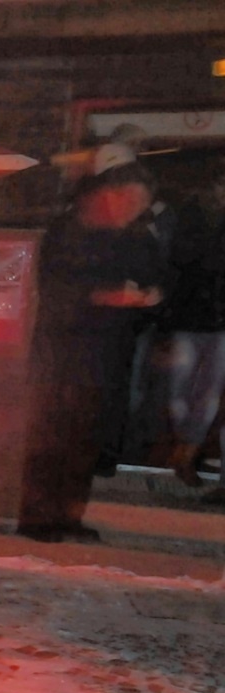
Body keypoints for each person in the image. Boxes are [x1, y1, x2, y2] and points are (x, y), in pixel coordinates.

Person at [18, 163, 168, 542]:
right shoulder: (68, 231)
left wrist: (150, 298)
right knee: (52, 437)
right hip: (62, 356)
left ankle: (70, 515)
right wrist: (104, 296)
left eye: (141, 204)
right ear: (108, 194)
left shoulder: (135, 238)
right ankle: (37, 519)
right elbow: (55, 292)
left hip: (109, 356)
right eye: (130, 200)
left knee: (88, 438)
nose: (133, 210)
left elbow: (158, 282)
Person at [159, 164, 225, 486]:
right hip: (191, 314)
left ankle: (187, 451)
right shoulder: (193, 216)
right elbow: (180, 260)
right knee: (180, 391)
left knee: (207, 392)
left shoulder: (194, 216)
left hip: (215, 318)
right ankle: (185, 447)